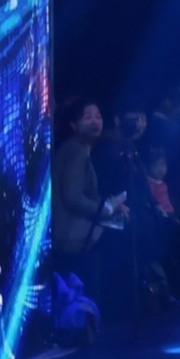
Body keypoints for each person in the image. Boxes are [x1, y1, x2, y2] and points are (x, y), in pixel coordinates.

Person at [52, 99, 129, 282]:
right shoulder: (75, 151)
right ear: (73, 124)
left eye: (98, 116)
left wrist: (111, 205)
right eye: (87, 117)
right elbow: (73, 197)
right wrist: (107, 209)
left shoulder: (80, 149)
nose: (95, 121)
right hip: (69, 233)